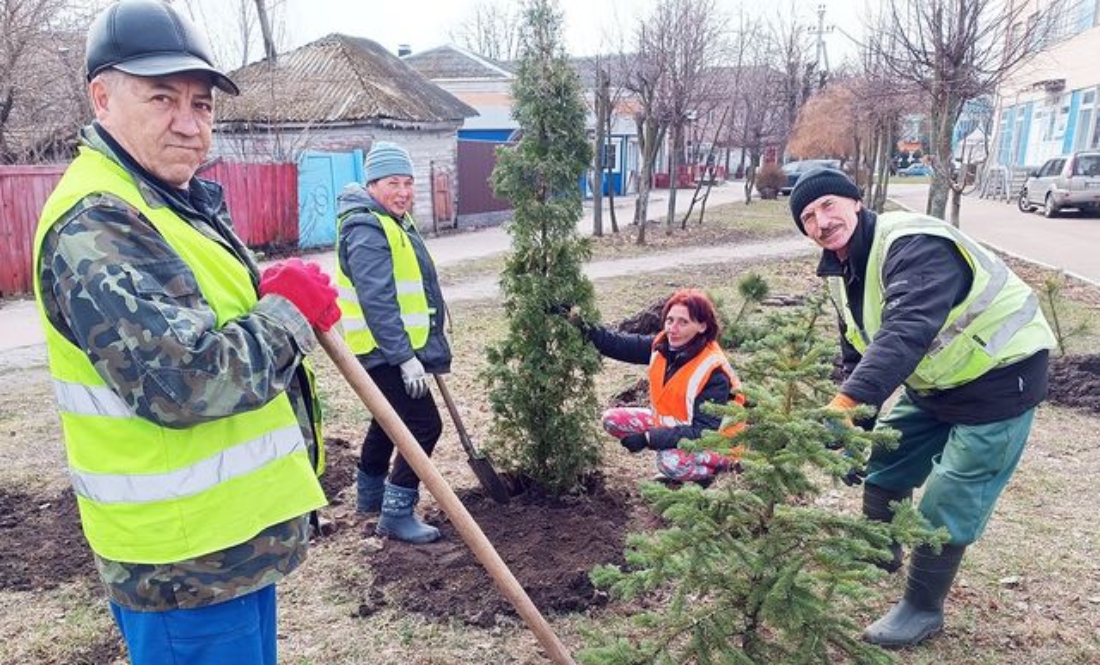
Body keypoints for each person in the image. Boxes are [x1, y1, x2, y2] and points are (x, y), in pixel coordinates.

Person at [30, 2, 340, 664]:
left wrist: (268, 292)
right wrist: (288, 314)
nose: (189, 123)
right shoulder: (96, 224)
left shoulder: (162, 197)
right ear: (102, 97)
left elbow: (203, 315)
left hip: (226, 548)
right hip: (180, 562)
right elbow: (182, 379)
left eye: (202, 105)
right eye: (162, 97)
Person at [788, 167, 1056, 648]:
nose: (821, 221)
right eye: (807, 216)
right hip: (936, 383)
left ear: (856, 201)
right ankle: (877, 548)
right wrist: (857, 429)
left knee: (949, 494)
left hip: (1000, 376)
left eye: (828, 205)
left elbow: (906, 330)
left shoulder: (911, 243)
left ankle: (922, 607)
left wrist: (844, 405)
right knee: (888, 455)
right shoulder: (844, 268)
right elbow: (859, 349)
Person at [335, 141, 451, 544]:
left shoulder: (391, 220)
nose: (402, 191)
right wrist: (404, 358)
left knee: (387, 421)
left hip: (390, 348)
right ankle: (397, 514)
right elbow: (377, 299)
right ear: (372, 184)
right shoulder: (366, 228)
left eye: (408, 182)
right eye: (392, 183)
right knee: (423, 425)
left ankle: (369, 498)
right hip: (384, 351)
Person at [578, 289, 745, 484]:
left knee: (670, 462)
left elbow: (702, 432)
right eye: (670, 320)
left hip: (718, 442)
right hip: (676, 424)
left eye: (683, 322)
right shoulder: (664, 346)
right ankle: (684, 462)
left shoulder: (713, 372)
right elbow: (617, 344)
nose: (673, 328)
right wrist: (581, 325)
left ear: (702, 326)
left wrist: (648, 438)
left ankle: (709, 473)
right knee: (612, 420)